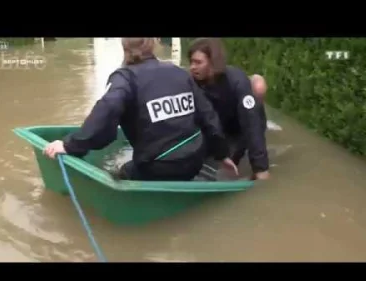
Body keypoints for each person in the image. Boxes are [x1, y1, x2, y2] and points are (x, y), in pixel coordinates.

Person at [43, 38, 238, 181]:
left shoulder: (125, 77)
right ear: (153, 44)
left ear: (124, 47)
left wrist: (70, 146)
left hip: (158, 167)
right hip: (195, 160)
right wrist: (222, 154)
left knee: (123, 173)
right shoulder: (180, 73)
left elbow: (107, 109)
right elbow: (209, 116)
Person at [187, 38, 270, 180]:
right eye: (191, 62)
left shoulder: (237, 81)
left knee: (224, 173)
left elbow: (251, 123)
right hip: (215, 129)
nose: (192, 67)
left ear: (213, 62)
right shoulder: (191, 82)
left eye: (198, 62)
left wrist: (260, 168)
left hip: (238, 130)